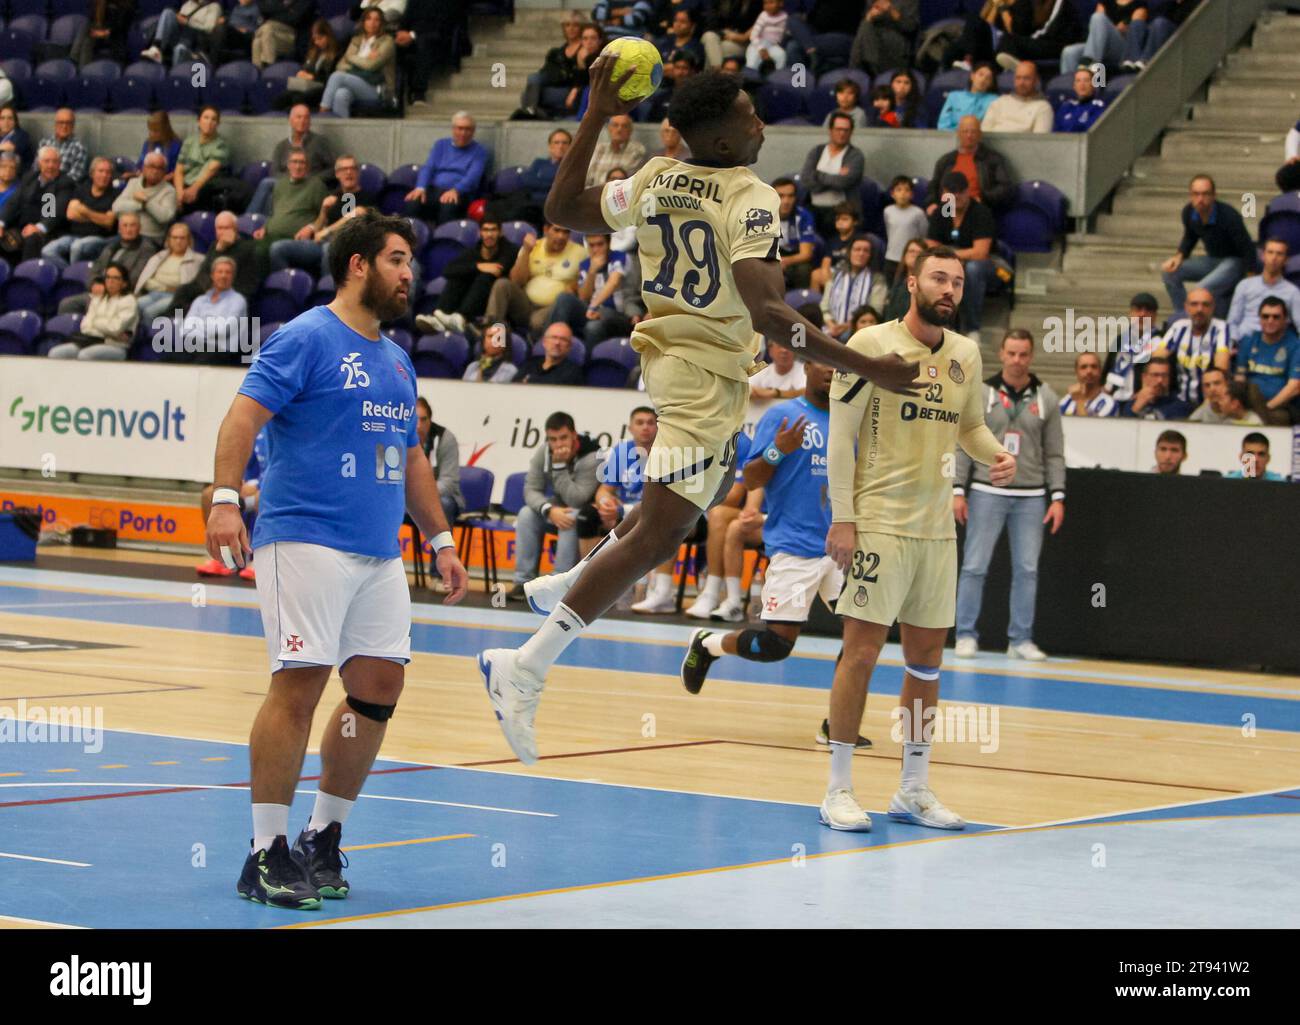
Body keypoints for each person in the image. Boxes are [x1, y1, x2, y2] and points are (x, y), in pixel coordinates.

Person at [476, 64, 921, 766]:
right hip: (695, 379)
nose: (760, 124)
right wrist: (874, 367)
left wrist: (595, 114)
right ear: (716, 140)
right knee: (657, 534)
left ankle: (570, 578)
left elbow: (563, 207)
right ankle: (524, 665)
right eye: (747, 118)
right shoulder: (748, 198)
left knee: (690, 506)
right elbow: (773, 314)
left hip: (694, 369)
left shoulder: (655, 174)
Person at [205, 211, 468, 910]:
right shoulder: (306, 337)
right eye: (396, 259)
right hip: (305, 539)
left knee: (377, 689)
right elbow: (240, 419)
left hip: (378, 553)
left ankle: (323, 835)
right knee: (299, 686)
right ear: (358, 265)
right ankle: (264, 851)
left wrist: (440, 540)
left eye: (410, 260)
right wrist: (226, 499)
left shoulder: (398, 358)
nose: (410, 273)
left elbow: (411, 457)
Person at [821, 245, 1014, 830]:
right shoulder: (869, 346)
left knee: (927, 662)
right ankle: (837, 788)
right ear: (912, 283)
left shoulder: (965, 353)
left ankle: (913, 786)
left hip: (936, 532)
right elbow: (841, 438)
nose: (949, 289)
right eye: (938, 278)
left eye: (957, 281)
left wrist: (996, 456)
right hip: (879, 522)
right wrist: (843, 517)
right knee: (860, 654)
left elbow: (971, 427)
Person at [682, 360, 860, 735]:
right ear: (808, 368)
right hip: (794, 547)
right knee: (776, 645)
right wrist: (779, 450)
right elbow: (752, 477)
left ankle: (837, 725)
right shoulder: (783, 414)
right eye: (824, 365)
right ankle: (709, 644)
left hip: (839, 551)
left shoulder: (849, 421)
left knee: (863, 638)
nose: (832, 372)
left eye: (839, 367)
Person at [953, 329, 1064, 662]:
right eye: (1011, 353)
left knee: (1027, 569)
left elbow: (1055, 453)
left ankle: (1020, 639)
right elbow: (962, 443)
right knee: (974, 566)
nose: (1017, 360)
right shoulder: (982, 392)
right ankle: (965, 634)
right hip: (987, 489)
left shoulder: (1047, 397)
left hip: (1031, 495)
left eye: (1023, 354)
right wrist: (958, 489)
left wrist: (1057, 496)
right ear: (1001, 354)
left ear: (1031, 356)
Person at [507, 411, 605, 601]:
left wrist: (559, 467)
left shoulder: (592, 456)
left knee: (571, 516)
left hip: (588, 515)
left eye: (563, 438)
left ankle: (559, 584)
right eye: (553, 439)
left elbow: (578, 499)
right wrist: (548, 510)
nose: (558, 444)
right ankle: (523, 583)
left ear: (574, 435)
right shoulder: (544, 452)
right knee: (526, 514)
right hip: (558, 508)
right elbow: (531, 489)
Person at [594, 407, 683, 614]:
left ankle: (656, 592)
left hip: (659, 512)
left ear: (659, 427)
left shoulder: (669, 451)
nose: (645, 427)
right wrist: (605, 502)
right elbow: (604, 490)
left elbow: (669, 498)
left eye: (651, 423)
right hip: (626, 513)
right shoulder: (621, 451)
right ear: (630, 428)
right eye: (640, 422)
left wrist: (621, 509)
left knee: (659, 521)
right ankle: (594, 585)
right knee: (588, 516)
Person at [1160, 175, 1256, 320]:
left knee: (1202, 287)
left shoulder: (1228, 216)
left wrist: (1250, 278)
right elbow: (1190, 236)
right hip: (1212, 260)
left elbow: (1247, 247)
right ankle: (1183, 315)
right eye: (1196, 194)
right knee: (1169, 273)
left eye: (1205, 194)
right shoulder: (1189, 212)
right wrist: (1179, 256)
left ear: (1213, 196)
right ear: (1190, 195)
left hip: (1234, 262)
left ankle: (1192, 315)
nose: (1200, 199)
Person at [268, 154, 376, 277]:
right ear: (337, 174)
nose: (348, 172)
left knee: (329, 249)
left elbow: (356, 214)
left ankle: (325, 291)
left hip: (347, 247)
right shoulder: (334, 196)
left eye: (352, 169)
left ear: (358, 173)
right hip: (320, 244)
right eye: (344, 169)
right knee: (278, 248)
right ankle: (284, 287)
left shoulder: (366, 196)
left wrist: (328, 231)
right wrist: (323, 211)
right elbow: (318, 229)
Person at [416, 217, 517, 336]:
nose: (489, 234)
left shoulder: (510, 250)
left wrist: (480, 269)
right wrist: (478, 266)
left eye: (493, 230)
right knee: (459, 276)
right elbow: (448, 270)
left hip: (494, 303)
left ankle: (460, 318)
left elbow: (497, 270)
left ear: (500, 233)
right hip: (470, 298)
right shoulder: (475, 250)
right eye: (485, 230)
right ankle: (441, 316)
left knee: (485, 276)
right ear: (480, 233)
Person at [925, 171, 996, 334]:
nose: (956, 196)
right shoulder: (943, 212)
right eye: (951, 192)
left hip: (986, 266)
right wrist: (955, 259)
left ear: (968, 191)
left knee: (973, 269)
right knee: (932, 268)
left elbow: (980, 252)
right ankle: (939, 324)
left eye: (961, 192)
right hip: (951, 264)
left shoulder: (980, 212)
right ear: (944, 194)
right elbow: (931, 248)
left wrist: (952, 255)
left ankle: (973, 328)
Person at [484, 222, 585, 338]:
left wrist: (574, 286)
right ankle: (492, 335)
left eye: (565, 232)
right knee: (502, 284)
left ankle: (534, 347)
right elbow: (517, 281)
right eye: (557, 231)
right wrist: (527, 251)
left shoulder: (580, 253)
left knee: (536, 321)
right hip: (525, 303)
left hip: (553, 307)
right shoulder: (532, 247)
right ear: (546, 230)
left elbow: (582, 287)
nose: (561, 236)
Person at [196, 428, 268, 580]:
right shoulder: (258, 429)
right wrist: (238, 483)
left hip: (274, 486)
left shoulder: (282, 428)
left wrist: (258, 486)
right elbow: (249, 467)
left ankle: (259, 561)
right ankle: (223, 558)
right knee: (210, 495)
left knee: (263, 498)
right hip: (257, 483)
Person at [57, 211, 158, 317]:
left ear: (139, 228)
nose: (128, 229)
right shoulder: (112, 246)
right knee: (67, 304)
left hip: (123, 296)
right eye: (125, 225)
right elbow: (95, 268)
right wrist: (94, 284)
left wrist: (107, 288)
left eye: (132, 225)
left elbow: (135, 277)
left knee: (93, 308)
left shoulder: (146, 249)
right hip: (99, 292)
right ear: (119, 229)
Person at [246, 105, 336, 217]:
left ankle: (247, 218)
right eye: (299, 117)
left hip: (309, 184)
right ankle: (262, 225)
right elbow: (274, 172)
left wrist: (314, 178)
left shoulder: (319, 142)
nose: (303, 121)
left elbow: (333, 169)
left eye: (306, 118)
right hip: (286, 184)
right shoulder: (282, 146)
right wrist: (290, 179)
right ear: (290, 120)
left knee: (266, 183)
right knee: (270, 195)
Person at [547, 232, 633, 345]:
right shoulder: (585, 264)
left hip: (618, 315)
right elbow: (584, 296)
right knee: (564, 298)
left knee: (593, 327)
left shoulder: (619, 257)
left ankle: (590, 361)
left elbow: (613, 282)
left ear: (608, 244)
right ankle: (551, 343)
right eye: (591, 245)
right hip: (592, 311)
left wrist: (593, 307)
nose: (596, 250)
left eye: (600, 244)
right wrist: (592, 271)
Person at [405, 112, 489, 226]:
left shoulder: (479, 151)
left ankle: (443, 240)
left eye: (468, 129)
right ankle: (408, 238)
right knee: (413, 201)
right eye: (460, 128)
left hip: (461, 193)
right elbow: (428, 167)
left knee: (448, 205)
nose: (463, 133)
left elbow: (473, 177)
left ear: (473, 131)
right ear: (453, 129)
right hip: (435, 189)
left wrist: (456, 190)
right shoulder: (441, 145)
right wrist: (420, 187)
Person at [1155, 286, 1229, 411]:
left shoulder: (1220, 328)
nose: (1199, 309)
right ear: (1186, 307)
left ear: (1212, 308)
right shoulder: (1179, 327)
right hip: (1180, 400)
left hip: (1210, 402)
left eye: (1205, 305)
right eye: (1194, 304)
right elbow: (1156, 359)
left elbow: (1221, 367)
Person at [173, 210, 261, 315]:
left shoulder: (247, 248)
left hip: (231, 295)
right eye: (219, 228)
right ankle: (171, 321)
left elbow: (247, 284)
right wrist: (220, 250)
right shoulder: (215, 246)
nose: (222, 232)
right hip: (208, 292)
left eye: (226, 228)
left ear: (235, 229)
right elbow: (204, 274)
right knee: (183, 291)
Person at [47, 266, 139, 360]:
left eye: (115, 278)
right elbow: (85, 326)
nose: (110, 281)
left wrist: (95, 322)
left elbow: (115, 329)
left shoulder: (129, 301)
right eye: (108, 277)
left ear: (124, 283)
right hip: (90, 341)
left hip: (115, 346)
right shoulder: (97, 299)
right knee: (55, 353)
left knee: (85, 355)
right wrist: (104, 327)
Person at [0, 146, 74, 264]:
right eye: (47, 161)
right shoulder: (30, 178)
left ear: (59, 164)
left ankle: (26, 278)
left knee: (32, 240)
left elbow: (54, 213)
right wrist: (1, 223)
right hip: (22, 227)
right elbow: (13, 202)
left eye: (54, 162)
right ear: (39, 163)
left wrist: (39, 227)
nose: (50, 165)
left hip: (48, 231)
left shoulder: (63, 183)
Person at [252, 148, 330, 259]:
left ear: (307, 167)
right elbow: (275, 213)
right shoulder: (280, 184)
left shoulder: (317, 186)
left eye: (302, 162)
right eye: (294, 162)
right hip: (271, 235)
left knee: (264, 251)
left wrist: (311, 227)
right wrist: (264, 227)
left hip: (295, 239)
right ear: (288, 165)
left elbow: (325, 217)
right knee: (248, 248)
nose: (298, 166)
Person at [926, 116, 1015, 213]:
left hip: (978, 210)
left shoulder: (993, 159)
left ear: (980, 134)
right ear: (958, 134)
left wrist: (983, 198)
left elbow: (1006, 188)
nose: (969, 135)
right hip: (948, 209)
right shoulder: (946, 161)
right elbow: (933, 185)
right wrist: (932, 203)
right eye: (965, 131)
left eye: (973, 132)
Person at [1233, 296, 1300, 425]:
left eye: (1276, 317)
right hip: (1248, 403)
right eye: (1265, 316)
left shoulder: (1295, 346)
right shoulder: (1248, 340)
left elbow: (1295, 387)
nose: (1270, 321)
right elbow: (1240, 377)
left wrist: (1266, 408)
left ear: (1285, 320)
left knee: (1279, 416)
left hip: (1277, 407)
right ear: (1259, 318)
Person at [40, 156, 118, 266]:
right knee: (47, 251)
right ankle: (69, 274)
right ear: (92, 174)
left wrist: (83, 210)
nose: (104, 175)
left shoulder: (115, 194)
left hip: (99, 238)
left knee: (77, 247)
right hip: (75, 235)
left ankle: (73, 278)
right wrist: (98, 217)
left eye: (108, 172)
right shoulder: (82, 189)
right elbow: (71, 214)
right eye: (101, 171)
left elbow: (108, 222)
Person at [172, 255, 249, 364]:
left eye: (228, 272)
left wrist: (198, 326)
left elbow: (223, 331)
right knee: (168, 360)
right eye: (220, 272)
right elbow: (185, 328)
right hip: (195, 345)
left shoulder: (238, 300)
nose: (223, 276)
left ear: (233, 277)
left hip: (221, 349)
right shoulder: (200, 300)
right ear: (212, 275)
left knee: (195, 366)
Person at [320, 9, 397, 118]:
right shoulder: (356, 40)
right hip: (355, 83)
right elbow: (340, 65)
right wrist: (365, 60)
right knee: (340, 94)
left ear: (381, 23)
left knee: (337, 76)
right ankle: (343, 131)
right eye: (369, 19)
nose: (372, 23)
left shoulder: (387, 41)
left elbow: (372, 65)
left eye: (377, 20)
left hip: (377, 89)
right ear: (363, 22)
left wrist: (351, 58)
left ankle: (323, 113)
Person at [174, 107, 252, 213]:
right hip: (185, 183)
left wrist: (194, 189)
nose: (209, 122)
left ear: (217, 124)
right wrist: (179, 192)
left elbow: (210, 170)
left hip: (206, 183)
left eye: (213, 119)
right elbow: (179, 169)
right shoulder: (189, 141)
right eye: (206, 118)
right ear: (199, 121)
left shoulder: (221, 144)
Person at [800, 112, 865, 237]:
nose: (842, 133)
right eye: (838, 129)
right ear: (830, 130)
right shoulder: (817, 151)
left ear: (851, 132)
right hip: (814, 209)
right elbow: (806, 179)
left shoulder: (856, 155)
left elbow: (844, 182)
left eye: (846, 130)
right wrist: (834, 177)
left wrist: (817, 175)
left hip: (840, 212)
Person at [1226, 238, 1300, 345]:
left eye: (1279, 254)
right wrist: (1232, 342)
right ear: (1263, 256)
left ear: (1286, 260)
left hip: (1275, 346)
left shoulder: (1293, 292)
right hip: (1243, 343)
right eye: (1270, 252)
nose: (1274, 258)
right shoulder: (1244, 285)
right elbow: (1232, 322)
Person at [133, 221, 204, 326]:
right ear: (169, 240)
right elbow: (146, 281)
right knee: (135, 306)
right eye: (175, 237)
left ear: (189, 240)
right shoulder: (159, 257)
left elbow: (184, 285)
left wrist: (162, 284)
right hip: (154, 293)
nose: (178, 241)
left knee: (149, 312)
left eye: (182, 238)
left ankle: (151, 340)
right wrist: (166, 287)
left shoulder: (198, 260)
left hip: (176, 298)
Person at [822, 235, 888, 339]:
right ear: (849, 253)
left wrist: (848, 325)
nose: (861, 254)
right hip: (831, 327)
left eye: (866, 251)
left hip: (859, 330)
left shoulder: (877, 279)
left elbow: (876, 310)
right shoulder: (835, 274)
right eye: (857, 249)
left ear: (870, 255)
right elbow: (824, 306)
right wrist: (831, 324)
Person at [1060, 0, 1151, 74]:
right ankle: (1071, 89)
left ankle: (1091, 62)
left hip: (1123, 47)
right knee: (1069, 52)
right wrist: (1109, 28)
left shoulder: (1139, 3)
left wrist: (1112, 28)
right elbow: (1096, 27)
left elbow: (1136, 29)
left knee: (1099, 18)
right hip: (1100, 43)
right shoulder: (1106, 2)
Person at [1101, 291, 1160, 401]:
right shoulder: (1120, 340)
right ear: (1131, 313)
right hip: (1114, 399)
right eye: (1138, 309)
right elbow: (1107, 370)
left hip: (1145, 400)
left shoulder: (1161, 342)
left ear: (1155, 315)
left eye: (1148, 310)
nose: (1142, 314)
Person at [413, 397, 464, 523]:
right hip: (408, 497)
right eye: (414, 420)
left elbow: (448, 482)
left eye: (423, 420)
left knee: (443, 504)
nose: (419, 425)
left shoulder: (445, 438)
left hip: (440, 496)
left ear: (430, 420)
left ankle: (443, 543)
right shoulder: (399, 436)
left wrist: (421, 495)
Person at [273, 18, 340, 110]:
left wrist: (313, 77)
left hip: (323, 88)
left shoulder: (336, 54)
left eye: (320, 39)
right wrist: (302, 73)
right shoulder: (314, 53)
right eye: (315, 39)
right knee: (282, 98)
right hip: (308, 85)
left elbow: (331, 78)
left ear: (328, 36)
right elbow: (307, 68)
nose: (317, 42)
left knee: (298, 99)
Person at [112, 150, 178, 243]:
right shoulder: (133, 182)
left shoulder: (169, 190)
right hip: (124, 236)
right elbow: (116, 207)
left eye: (160, 168)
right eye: (152, 166)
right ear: (144, 168)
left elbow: (165, 217)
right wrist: (140, 205)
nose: (155, 171)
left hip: (149, 239)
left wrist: (146, 201)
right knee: (89, 247)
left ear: (164, 172)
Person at [849, 0, 919, 76]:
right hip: (870, 35)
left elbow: (910, 27)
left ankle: (856, 72)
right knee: (865, 27)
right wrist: (870, 15)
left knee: (863, 34)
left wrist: (891, 10)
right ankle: (871, 68)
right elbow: (865, 18)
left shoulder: (909, 1)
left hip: (895, 38)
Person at [981, 60, 1052, 133]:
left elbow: (1039, 142)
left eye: (1026, 78)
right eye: (1018, 78)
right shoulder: (999, 102)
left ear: (1036, 80)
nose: (1021, 82)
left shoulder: (1043, 108)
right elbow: (985, 134)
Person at [773, 175, 817, 289]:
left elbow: (806, 254)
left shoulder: (803, 216)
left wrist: (784, 261)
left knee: (804, 269)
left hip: (794, 256)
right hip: (772, 255)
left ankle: (801, 302)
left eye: (790, 196)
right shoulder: (761, 216)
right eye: (781, 196)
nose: (786, 201)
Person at [1118, 355, 1192, 419]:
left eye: (1164, 376)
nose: (1160, 380)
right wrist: (1136, 407)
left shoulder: (1180, 407)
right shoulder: (1131, 405)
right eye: (1155, 375)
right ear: (1144, 377)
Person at [585, 114, 647, 189]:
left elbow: (628, 180)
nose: (619, 129)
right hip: (595, 193)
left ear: (630, 131)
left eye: (624, 126)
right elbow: (587, 178)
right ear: (609, 129)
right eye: (615, 125)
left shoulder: (637, 150)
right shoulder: (599, 148)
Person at [516, 322, 584, 386]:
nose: (557, 343)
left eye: (563, 339)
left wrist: (531, 380)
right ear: (544, 342)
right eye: (554, 337)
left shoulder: (573, 373)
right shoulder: (530, 364)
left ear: (569, 346)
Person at [936, 62, 998, 132]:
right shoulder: (954, 97)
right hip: (952, 138)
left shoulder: (995, 101)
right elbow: (943, 126)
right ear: (972, 76)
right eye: (980, 74)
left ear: (991, 83)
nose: (983, 80)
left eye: (988, 78)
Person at [251, 0, 314, 68]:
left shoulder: (304, 1)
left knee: (266, 28)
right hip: (272, 33)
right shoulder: (281, 2)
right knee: (257, 42)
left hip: (291, 36)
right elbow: (263, 8)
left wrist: (274, 13)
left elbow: (294, 19)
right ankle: (257, 73)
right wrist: (285, 8)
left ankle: (269, 68)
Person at [1188, 367, 1261, 425]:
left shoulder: (1252, 419)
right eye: (1207, 385)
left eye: (1217, 383)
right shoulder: (1198, 416)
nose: (1212, 389)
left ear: (1227, 384)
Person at [122, 111, 183, 179]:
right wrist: (133, 174)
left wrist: (163, 179)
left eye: (155, 131)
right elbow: (141, 166)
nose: (151, 134)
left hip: (164, 182)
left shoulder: (176, 145)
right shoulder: (148, 143)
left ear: (165, 129)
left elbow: (178, 171)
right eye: (150, 130)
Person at [882, 236, 926, 321]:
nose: (914, 255)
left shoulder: (924, 286)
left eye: (919, 252)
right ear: (904, 255)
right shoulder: (898, 283)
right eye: (911, 251)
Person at [38, 109, 89, 183]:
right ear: (55, 124)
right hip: (42, 185)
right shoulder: (44, 143)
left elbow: (75, 176)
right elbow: (36, 168)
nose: (64, 126)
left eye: (68, 123)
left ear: (73, 126)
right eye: (61, 122)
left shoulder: (79, 147)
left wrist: (52, 184)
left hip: (63, 188)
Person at [1060, 351, 1118, 416]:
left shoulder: (1109, 402)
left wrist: (1079, 401)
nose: (1089, 371)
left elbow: (1089, 426)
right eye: (1083, 367)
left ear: (1100, 371)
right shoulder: (1066, 401)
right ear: (1076, 372)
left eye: (1094, 366)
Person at [1054, 65, 1109, 132]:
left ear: (1093, 85)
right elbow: (1055, 133)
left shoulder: (1099, 107)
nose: (1082, 84)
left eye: (1086, 80)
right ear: (1074, 86)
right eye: (1078, 81)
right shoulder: (1066, 107)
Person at [741, 0, 789, 71]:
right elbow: (754, 35)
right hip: (758, 44)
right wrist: (761, 48)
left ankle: (778, 78)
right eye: (765, 3)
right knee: (752, 63)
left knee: (781, 55)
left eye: (771, 2)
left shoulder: (785, 16)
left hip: (773, 46)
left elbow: (785, 32)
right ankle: (750, 77)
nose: (767, 6)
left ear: (780, 3)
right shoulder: (763, 15)